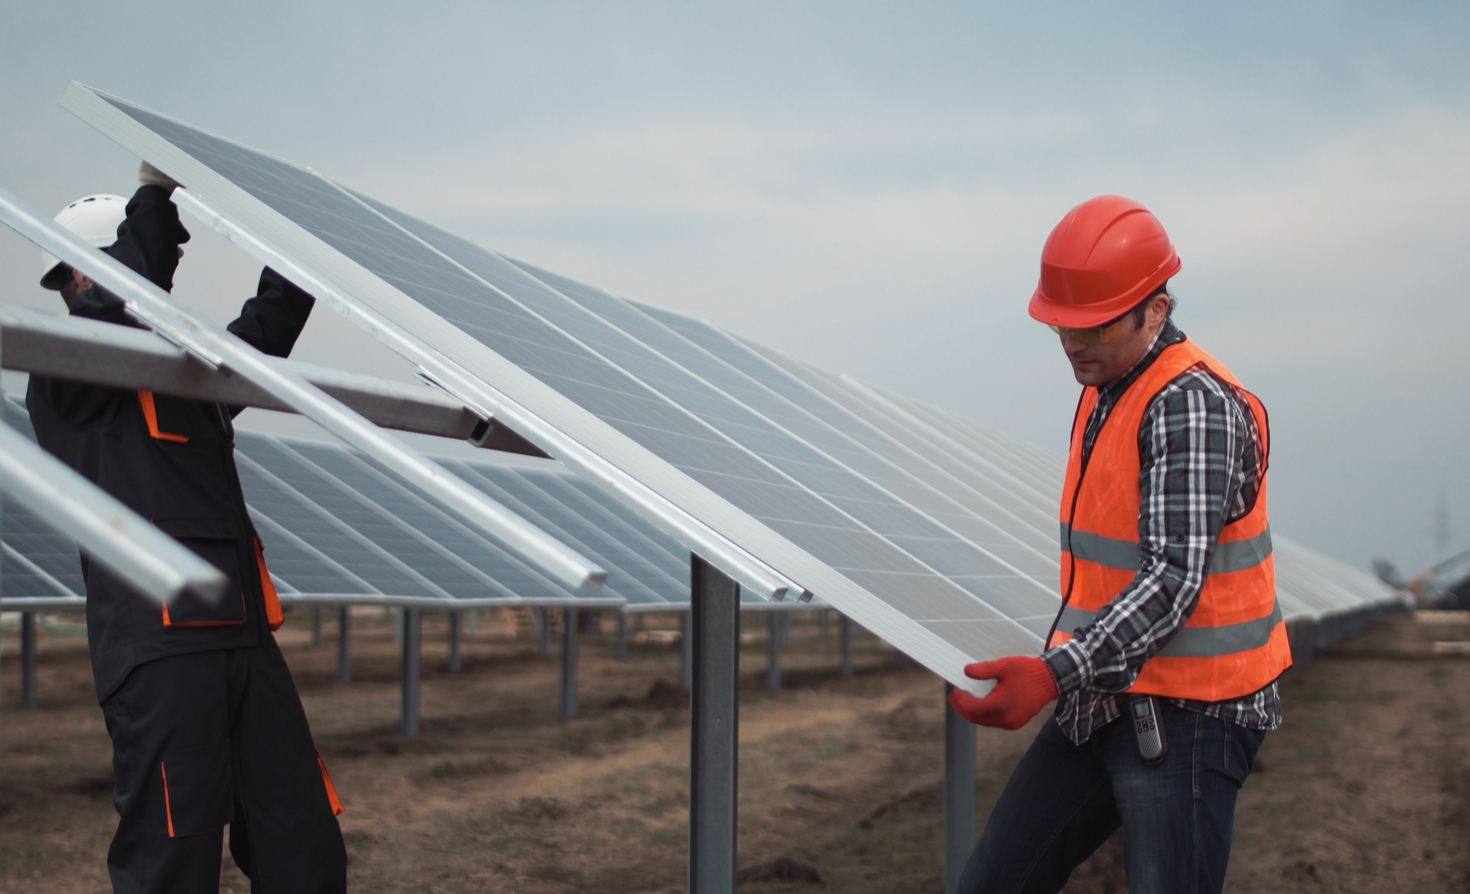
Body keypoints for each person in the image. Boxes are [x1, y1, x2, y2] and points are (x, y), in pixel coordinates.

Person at [949, 195, 1291, 894]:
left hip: (1194, 715)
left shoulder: (1191, 404)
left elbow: (1171, 580)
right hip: (1107, 691)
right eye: (1063, 329)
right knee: (995, 880)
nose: (1075, 346)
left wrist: (1050, 675)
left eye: (1096, 328)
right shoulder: (1106, 382)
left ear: (1156, 311)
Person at [29, 162, 347, 894]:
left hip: (242, 638)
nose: (165, 267)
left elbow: (259, 337)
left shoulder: (184, 376)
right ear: (83, 278)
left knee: (300, 836)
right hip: (160, 654)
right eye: (147, 253)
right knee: (174, 854)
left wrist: (293, 253)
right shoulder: (68, 376)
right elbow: (120, 299)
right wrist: (155, 193)